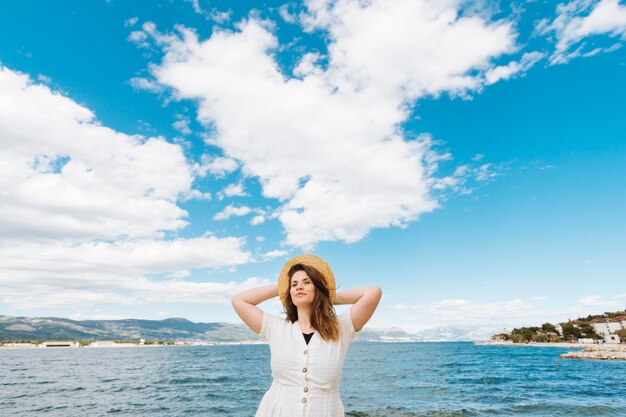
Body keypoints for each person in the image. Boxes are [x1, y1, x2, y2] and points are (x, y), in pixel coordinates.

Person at [231, 254, 382, 417]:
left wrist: (328, 294)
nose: (298, 287)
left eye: (307, 282)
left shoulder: (341, 329)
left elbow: (373, 292)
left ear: (317, 287)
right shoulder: (276, 328)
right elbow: (239, 300)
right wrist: (283, 286)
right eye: (294, 284)